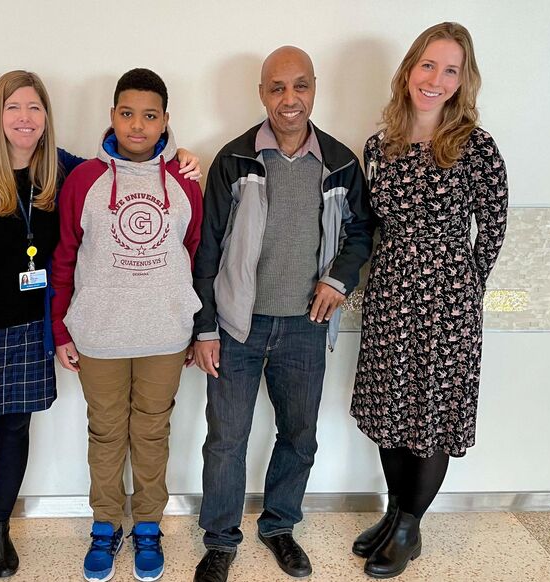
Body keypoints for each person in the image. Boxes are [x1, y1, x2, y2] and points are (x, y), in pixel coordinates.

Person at [0, 70, 201, 582]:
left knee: (14, 433)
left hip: (29, 331)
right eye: (13, 108)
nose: (24, 119)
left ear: (47, 117)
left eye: (34, 109)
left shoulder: (62, 172)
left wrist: (182, 158)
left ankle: (4, 528)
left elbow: (178, 229)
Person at [191, 47, 374, 582]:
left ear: (314, 88)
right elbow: (208, 248)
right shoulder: (235, 160)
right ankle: (220, 541)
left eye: (299, 86)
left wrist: (336, 280)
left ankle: (278, 527)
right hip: (236, 327)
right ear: (262, 92)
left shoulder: (340, 161)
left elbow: (361, 233)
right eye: (276, 87)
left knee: (300, 435)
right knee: (225, 439)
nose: (289, 99)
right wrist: (205, 327)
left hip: (304, 327)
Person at [349, 22, 508, 579]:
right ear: (409, 70)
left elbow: (492, 229)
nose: (436, 79)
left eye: (450, 70)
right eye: (428, 65)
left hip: (447, 307)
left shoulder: (475, 147)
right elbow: (369, 222)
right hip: (390, 296)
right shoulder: (380, 145)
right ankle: (395, 513)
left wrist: (464, 289)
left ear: (463, 81)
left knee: (431, 417)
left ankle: (411, 528)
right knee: (391, 411)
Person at [51, 68, 203, 582]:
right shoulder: (83, 181)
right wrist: (61, 329)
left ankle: (148, 527)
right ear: (112, 115)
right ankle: (104, 525)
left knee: (153, 432)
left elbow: (194, 250)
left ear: (165, 121)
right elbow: (66, 257)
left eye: (150, 115)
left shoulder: (185, 182)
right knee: (107, 433)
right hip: (99, 335)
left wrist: (186, 316)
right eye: (127, 113)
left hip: (163, 334)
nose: (137, 126)